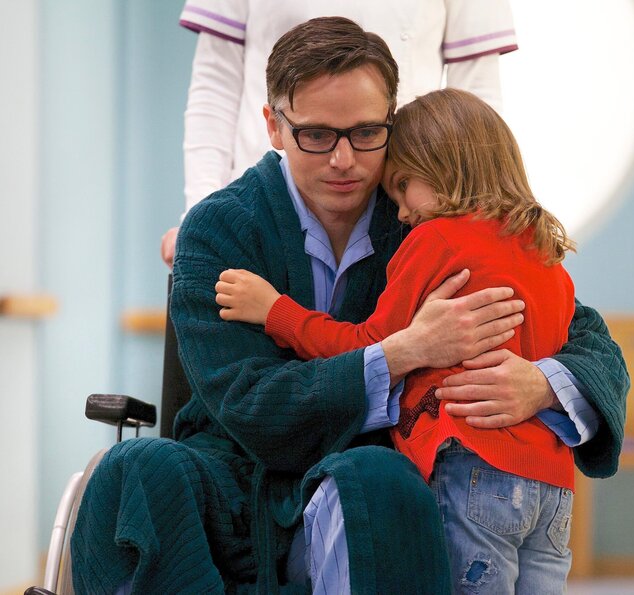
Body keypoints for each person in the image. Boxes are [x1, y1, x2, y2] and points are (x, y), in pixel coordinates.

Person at [71, 17, 628, 594]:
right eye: (316, 134)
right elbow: (253, 405)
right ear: (273, 126)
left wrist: (540, 384)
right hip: (234, 476)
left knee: (376, 477)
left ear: (391, 122)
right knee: (135, 470)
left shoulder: (431, 216)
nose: (343, 159)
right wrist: (408, 351)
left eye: (365, 133)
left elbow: (588, 338)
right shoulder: (217, 229)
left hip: (374, 483)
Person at [215, 87, 582, 593]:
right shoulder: (547, 256)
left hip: (471, 467)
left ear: (444, 165)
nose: (403, 213)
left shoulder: (434, 241)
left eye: (404, 186)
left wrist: (275, 310)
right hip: (554, 485)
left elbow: (368, 345)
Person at [161, 0, 519, 266]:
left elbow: (474, 107)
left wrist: (474, 224)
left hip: (398, 206)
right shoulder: (235, 220)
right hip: (265, 210)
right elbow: (217, 85)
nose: (341, 161)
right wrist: (202, 218)